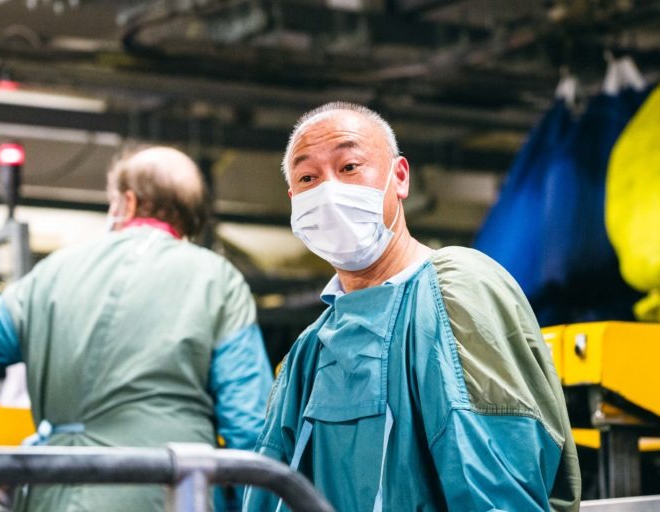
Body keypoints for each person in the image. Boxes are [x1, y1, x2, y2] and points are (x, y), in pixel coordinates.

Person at [243, 103, 581, 511]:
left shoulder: (455, 292)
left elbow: (496, 488)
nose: (328, 191)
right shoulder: (309, 352)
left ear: (399, 177)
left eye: (349, 166)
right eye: (308, 177)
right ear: (294, 199)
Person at [0, 146, 274, 511]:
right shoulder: (219, 280)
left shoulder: (51, 274)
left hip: (56, 494)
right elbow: (250, 427)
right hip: (172, 494)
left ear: (127, 202)